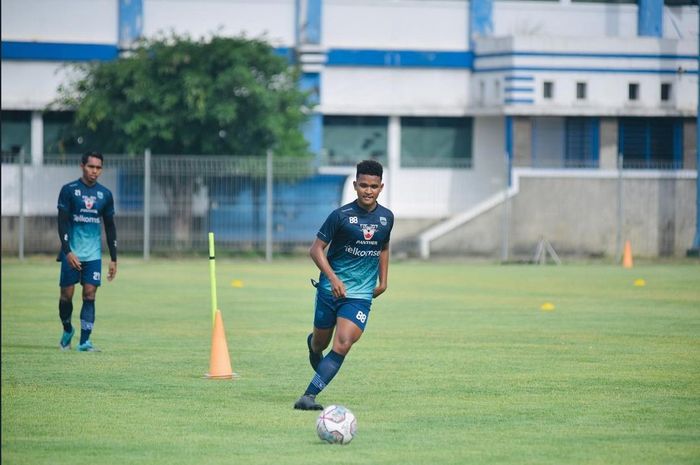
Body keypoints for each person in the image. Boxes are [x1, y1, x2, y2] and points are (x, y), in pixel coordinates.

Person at [294, 159, 394, 410]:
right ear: (355, 185)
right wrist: (334, 279)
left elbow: (383, 247)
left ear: (381, 187)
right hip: (329, 290)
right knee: (320, 344)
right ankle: (313, 348)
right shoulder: (340, 216)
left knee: (344, 342)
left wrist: (384, 282)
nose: (368, 191)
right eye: (363, 185)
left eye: (373, 186)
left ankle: (308, 396)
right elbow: (316, 250)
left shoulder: (386, 218)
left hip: (360, 295)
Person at [57, 151, 117, 352]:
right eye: (91, 166)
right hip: (71, 253)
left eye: (98, 167)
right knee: (66, 296)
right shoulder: (69, 190)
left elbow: (110, 227)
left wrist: (114, 258)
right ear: (82, 166)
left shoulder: (105, 195)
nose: (95, 171)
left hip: (93, 255)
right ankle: (67, 329)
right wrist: (67, 251)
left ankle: (84, 341)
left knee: (89, 295)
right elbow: (62, 223)